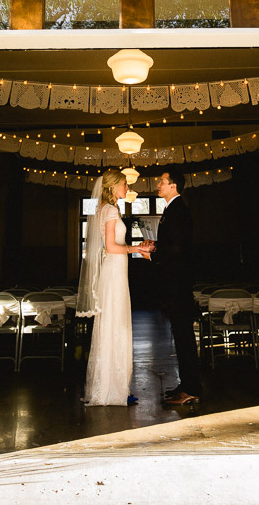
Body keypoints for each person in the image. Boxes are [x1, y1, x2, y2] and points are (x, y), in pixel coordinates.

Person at [76, 168, 150, 406]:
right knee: (114, 326)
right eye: (124, 185)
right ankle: (111, 389)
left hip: (118, 270)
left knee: (117, 324)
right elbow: (110, 246)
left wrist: (135, 247)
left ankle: (117, 386)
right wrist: (136, 249)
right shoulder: (108, 209)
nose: (127, 188)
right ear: (113, 186)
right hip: (114, 271)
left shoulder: (111, 209)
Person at [146, 169, 201, 405]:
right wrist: (156, 246)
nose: (158, 185)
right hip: (175, 283)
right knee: (180, 336)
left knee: (184, 337)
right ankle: (186, 384)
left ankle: (191, 389)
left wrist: (152, 256)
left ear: (173, 187)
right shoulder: (172, 210)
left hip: (178, 283)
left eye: (162, 182)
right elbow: (172, 244)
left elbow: (177, 249)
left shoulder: (178, 211)